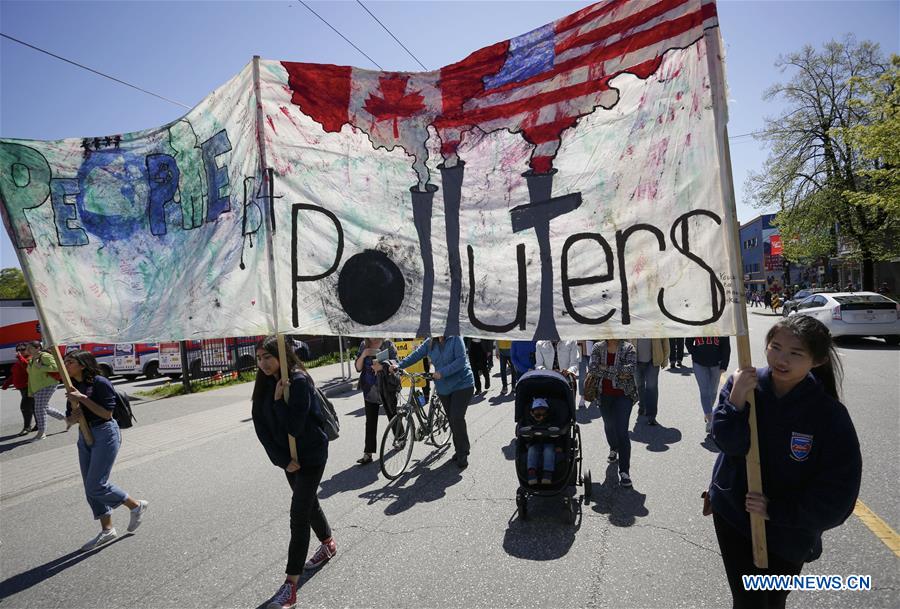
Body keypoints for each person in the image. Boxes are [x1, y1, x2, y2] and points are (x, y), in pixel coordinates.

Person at [708, 315, 862, 609]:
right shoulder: (744, 385)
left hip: (790, 532)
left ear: (816, 361)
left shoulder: (829, 414)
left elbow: (839, 494)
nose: (781, 358)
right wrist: (736, 399)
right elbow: (729, 444)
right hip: (734, 515)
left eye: (796, 353)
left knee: (773, 599)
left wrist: (775, 510)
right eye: (775, 347)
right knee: (749, 600)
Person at [252, 336, 335, 609]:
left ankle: (290, 586)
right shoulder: (263, 383)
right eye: (259, 357)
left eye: (268, 356)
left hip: (310, 457)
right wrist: (282, 460)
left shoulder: (298, 380)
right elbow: (261, 427)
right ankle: (328, 543)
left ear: (282, 355)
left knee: (298, 514)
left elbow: (295, 428)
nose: (263, 363)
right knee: (308, 503)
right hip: (289, 460)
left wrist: (279, 402)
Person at [62, 349, 149, 552]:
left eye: (69, 362)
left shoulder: (99, 383)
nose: (65, 365)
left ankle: (136, 505)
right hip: (85, 435)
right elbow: (68, 420)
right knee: (89, 487)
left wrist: (82, 398)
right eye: (65, 361)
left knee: (96, 484)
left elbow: (106, 413)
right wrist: (72, 417)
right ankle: (107, 529)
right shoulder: (71, 386)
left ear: (82, 365)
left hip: (105, 433)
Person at [393, 336, 475, 468]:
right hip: (443, 387)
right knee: (451, 418)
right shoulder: (429, 342)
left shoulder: (455, 338)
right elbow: (415, 355)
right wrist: (399, 365)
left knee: (456, 417)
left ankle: (463, 452)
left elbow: (461, 361)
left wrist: (442, 372)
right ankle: (459, 448)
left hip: (462, 384)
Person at [589, 339, 638, 488]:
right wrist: (618, 371)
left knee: (622, 431)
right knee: (609, 425)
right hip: (604, 395)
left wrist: (605, 369)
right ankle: (613, 448)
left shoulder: (629, 348)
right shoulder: (598, 347)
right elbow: (593, 368)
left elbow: (630, 370)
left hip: (624, 394)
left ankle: (624, 472)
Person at [353, 338, 398, 465]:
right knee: (370, 421)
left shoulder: (387, 343)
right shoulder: (363, 344)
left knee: (392, 414)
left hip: (386, 386)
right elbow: (357, 368)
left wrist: (383, 366)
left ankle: (400, 438)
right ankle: (368, 453)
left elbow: (396, 363)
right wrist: (364, 354)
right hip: (370, 388)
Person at [687, 336, 731, 434]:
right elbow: (688, 342)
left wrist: (724, 364)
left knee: (713, 391)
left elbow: (726, 346)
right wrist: (695, 353)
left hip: (716, 362)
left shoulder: (720, 323)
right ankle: (710, 420)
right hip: (699, 362)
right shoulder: (697, 324)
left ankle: (707, 412)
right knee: (704, 391)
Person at [25, 341, 68, 441]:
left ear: (37, 348)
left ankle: (41, 433)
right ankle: (67, 419)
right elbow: (31, 377)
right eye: (27, 348)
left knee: (39, 409)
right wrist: (30, 390)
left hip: (47, 385)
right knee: (44, 408)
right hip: (37, 387)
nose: (27, 350)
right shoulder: (31, 360)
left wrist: (41, 367)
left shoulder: (44, 356)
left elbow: (57, 367)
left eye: (30, 348)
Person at [523, 397, 562, 485]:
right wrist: (528, 438)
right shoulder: (529, 421)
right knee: (532, 450)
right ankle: (531, 474)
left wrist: (559, 445)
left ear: (547, 412)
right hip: (534, 443)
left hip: (550, 442)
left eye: (542, 411)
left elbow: (559, 434)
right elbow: (525, 435)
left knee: (548, 450)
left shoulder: (552, 420)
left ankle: (547, 473)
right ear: (532, 413)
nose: (539, 414)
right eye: (536, 411)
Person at [633, 338, 669, 426]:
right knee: (639, 385)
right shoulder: (631, 324)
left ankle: (651, 416)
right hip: (635, 360)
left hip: (653, 360)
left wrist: (665, 359)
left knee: (651, 387)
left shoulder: (656, 324)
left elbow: (665, 340)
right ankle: (642, 406)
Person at [2, 343, 35, 436]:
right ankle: (39, 425)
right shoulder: (18, 361)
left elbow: (27, 367)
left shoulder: (30, 358)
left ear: (28, 350)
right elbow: (14, 374)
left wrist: (20, 357)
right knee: (33, 407)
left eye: (22, 349)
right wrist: (6, 384)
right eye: (18, 350)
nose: (20, 351)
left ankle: (27, 428)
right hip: (22, 388)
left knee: (25, 407)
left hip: (29, 387)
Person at [577, 340, 594, 408]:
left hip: (591, 349)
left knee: (593, 374)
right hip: (580, 350)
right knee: (582, 376)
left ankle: (593, 394)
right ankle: (582, 397)